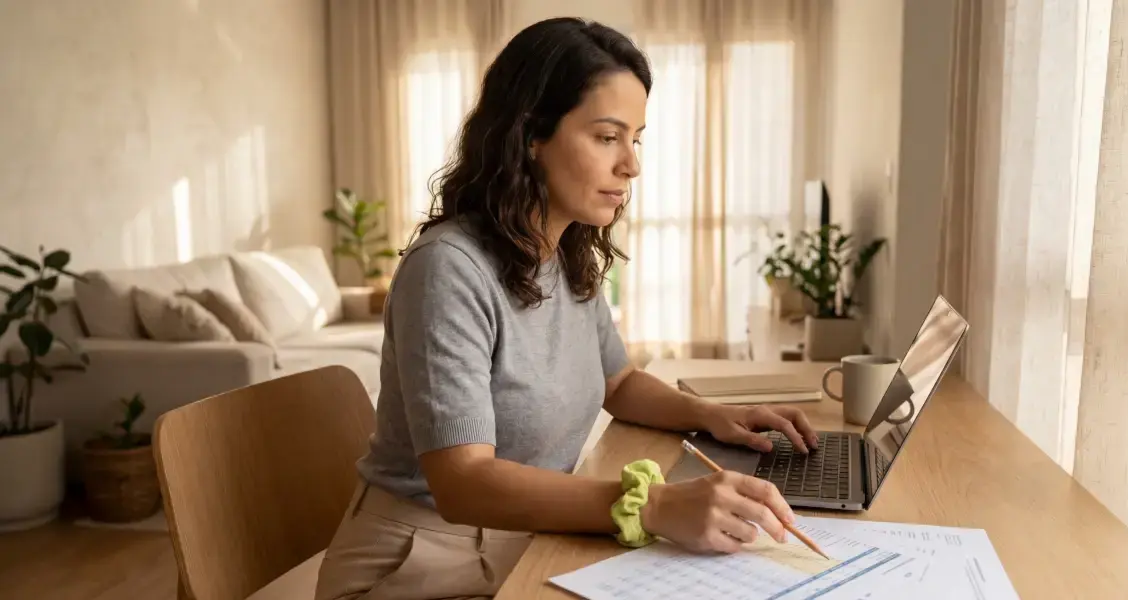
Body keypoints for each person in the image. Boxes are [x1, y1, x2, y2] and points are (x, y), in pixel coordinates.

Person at [315, 17, 821, 600]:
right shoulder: (448, 269)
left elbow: (620, 382)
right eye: (607, 137)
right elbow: (463, 482)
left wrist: (711, 415)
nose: (631, 165)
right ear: (531, 134)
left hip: (526, 539)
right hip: (421, 564)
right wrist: (651, 505)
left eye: (636, 139)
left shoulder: (563, 254)